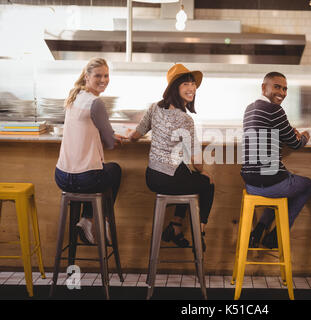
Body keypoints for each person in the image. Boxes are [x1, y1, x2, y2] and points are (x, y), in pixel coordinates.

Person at [127, 64, 214, 251]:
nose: (191, 88)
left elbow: (134, 136)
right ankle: (201, 232)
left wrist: (127, 135)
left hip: (152, 177)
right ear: (175, 87)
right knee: (207, 184)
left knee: (185, 174)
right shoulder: (185, 120)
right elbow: (196, 161)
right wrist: (204, 172)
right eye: (185, 84)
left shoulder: (154, 108)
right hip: (169, 180)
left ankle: (175, 227)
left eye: (193, 84)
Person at [55, 58, 125, 244]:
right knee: (114, 170)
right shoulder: (96, 103)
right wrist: (112, 137)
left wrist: (106, 135)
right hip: (84, 179)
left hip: (62, 177)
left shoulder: (74, 97)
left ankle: (88, 218)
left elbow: (86, 129)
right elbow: (110, 143)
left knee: (96, 172)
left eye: (106, 75)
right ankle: (97, 220)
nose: (103, 80)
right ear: (87, 76)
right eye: (98, 76)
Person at [241, 72, 311, 249]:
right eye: (277, 86)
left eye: (285, 88)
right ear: (263, 88)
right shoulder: (275, 110)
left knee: (287, 182)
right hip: (270, 183)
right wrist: (304, 136)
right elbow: (296, 144)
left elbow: (270, 134)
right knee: (306, 185)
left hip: (250, 183)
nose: (282, 92)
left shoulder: (249, 108)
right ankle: (277, 235)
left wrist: (288, 134)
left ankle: (259, 230)